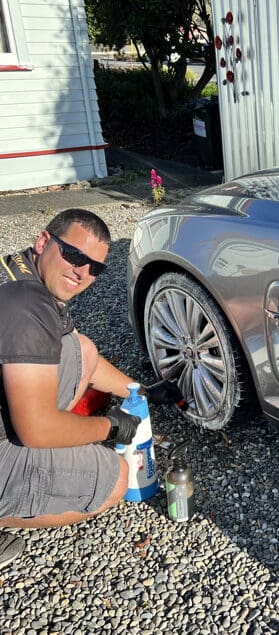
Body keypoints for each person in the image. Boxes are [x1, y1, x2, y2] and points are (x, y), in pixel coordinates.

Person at [0, 208, 180, 569]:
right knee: (116, 480)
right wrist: (110, 426)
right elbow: (35, 430)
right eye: (73, 255)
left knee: (80, 349)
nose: (81, 272)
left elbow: (86, 361)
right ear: (43, 241)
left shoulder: (17, 275)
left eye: (94, 267)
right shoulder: (26, 309)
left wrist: (140, 391)